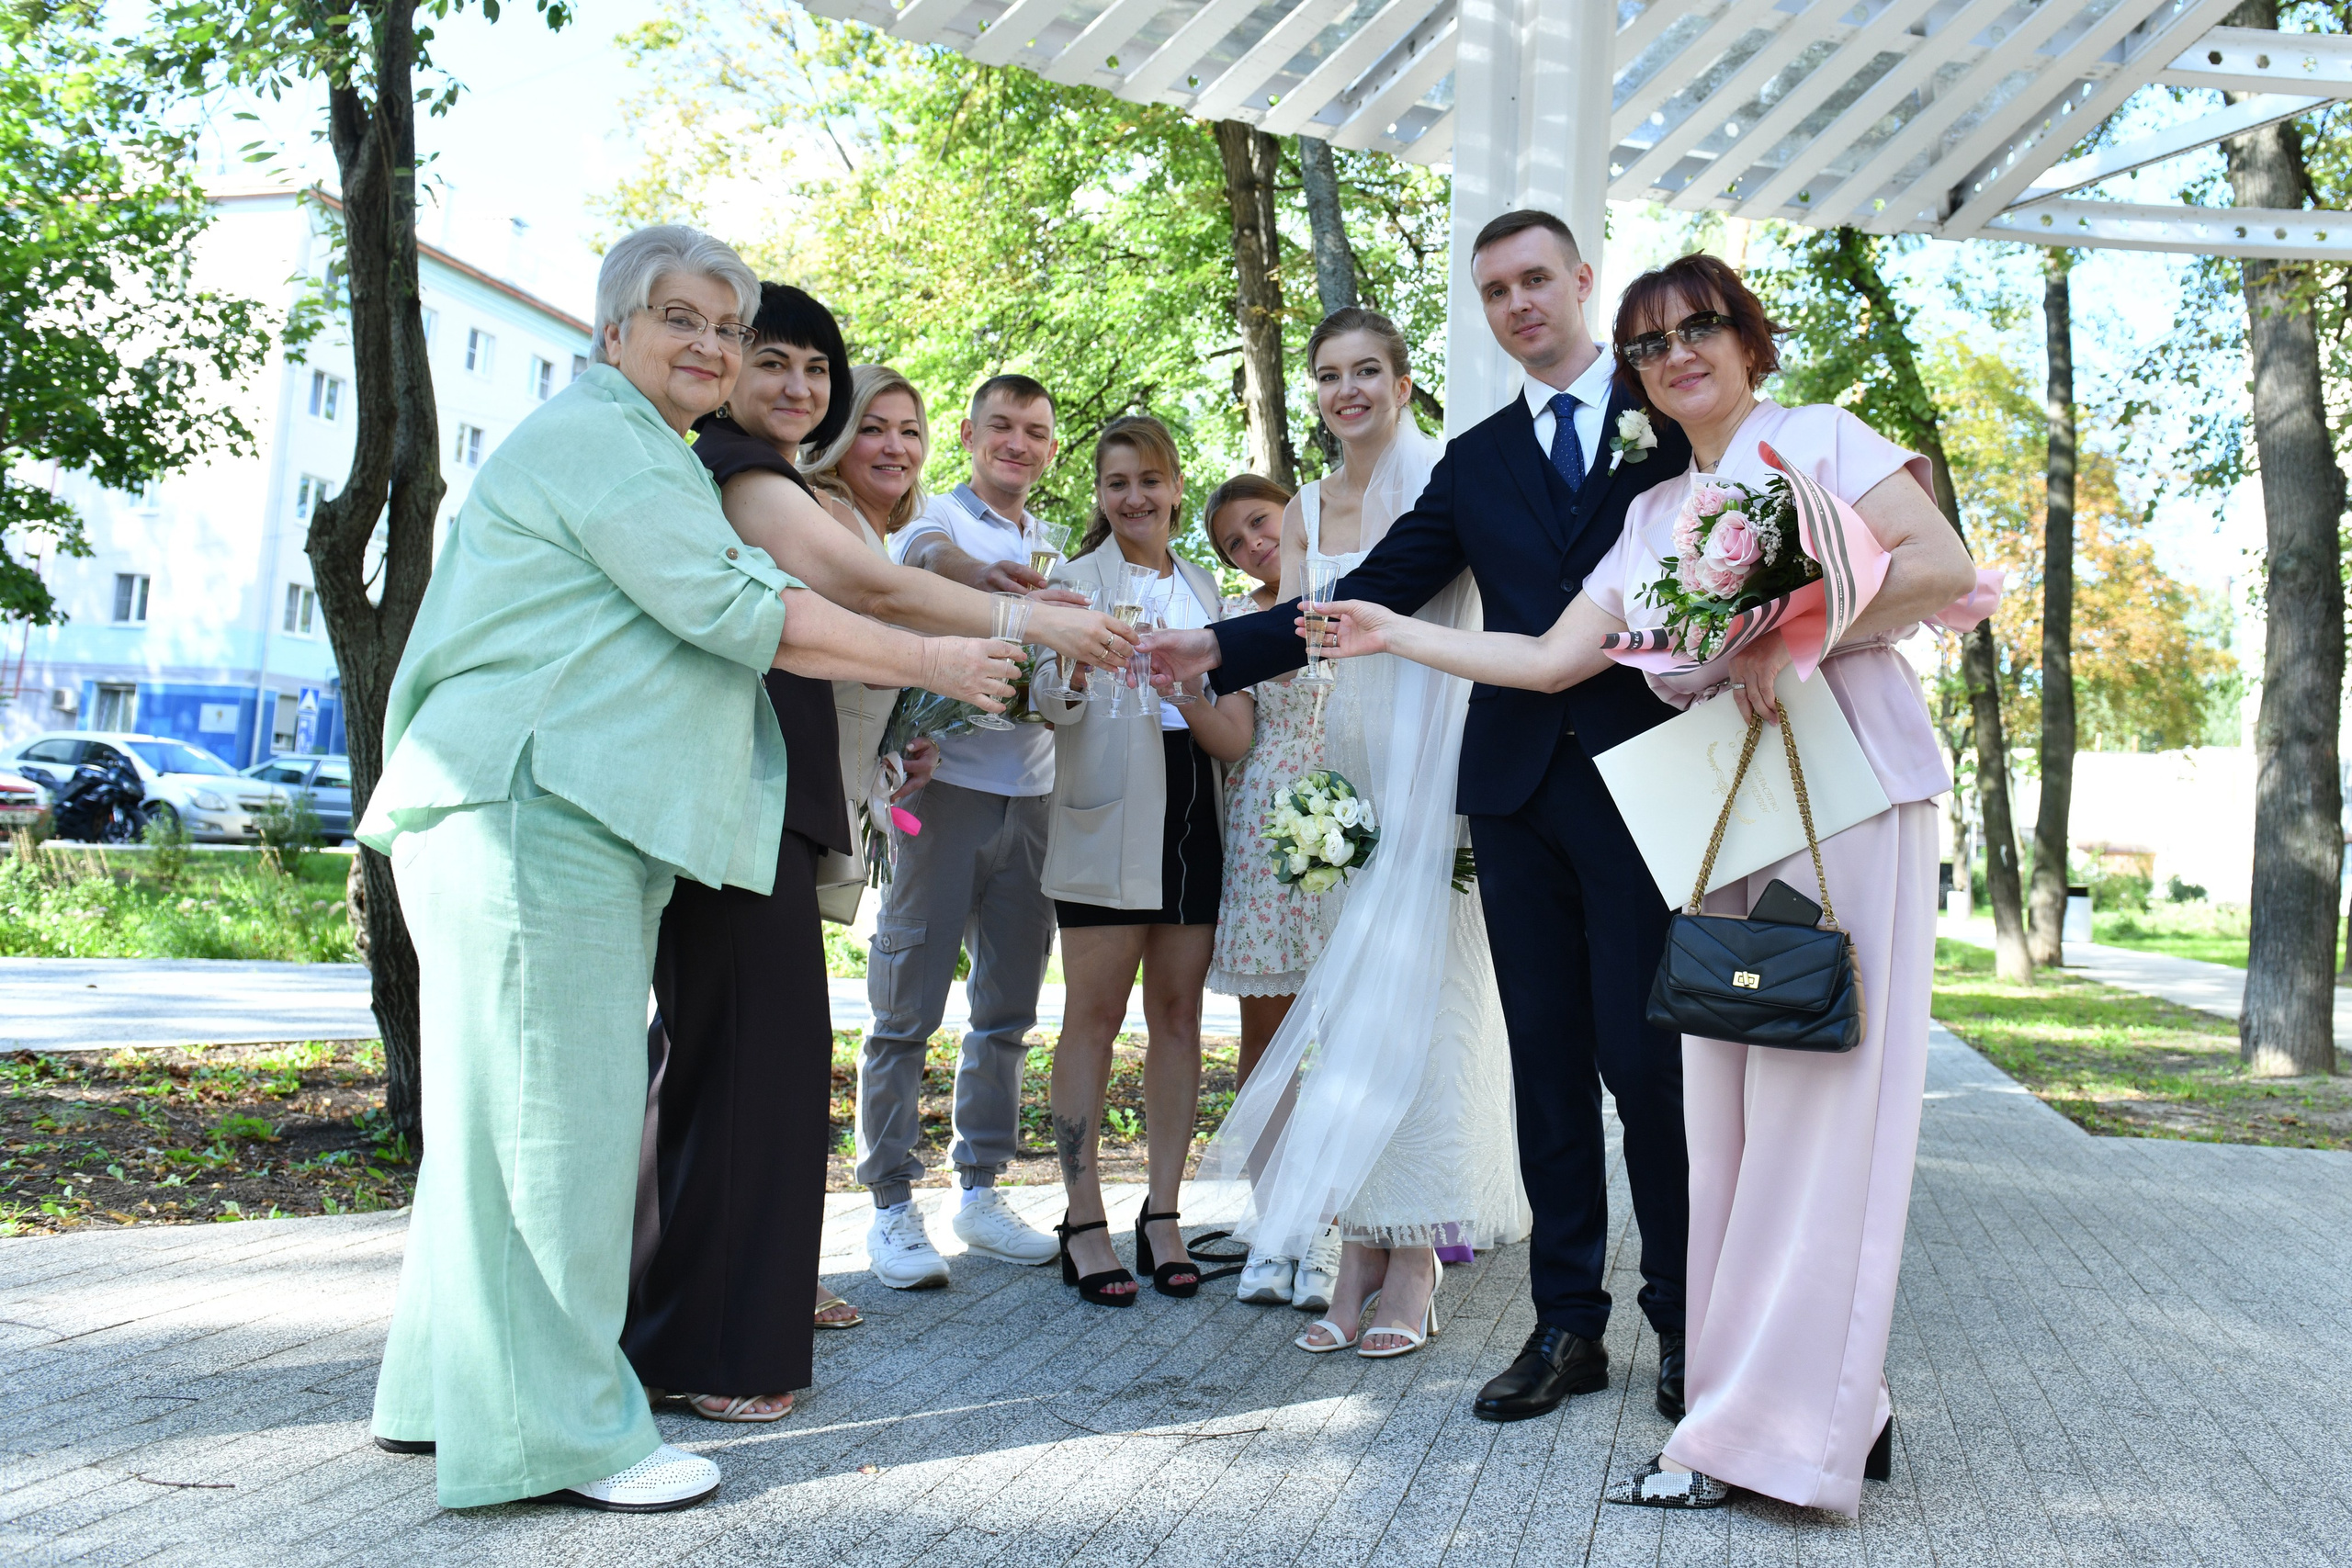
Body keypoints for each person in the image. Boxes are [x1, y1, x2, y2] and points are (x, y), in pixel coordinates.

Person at [356, 225, 1017, 1511]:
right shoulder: (611, 442)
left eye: (727, 325)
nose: (711, 345)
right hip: (534, 811)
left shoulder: (631, 444)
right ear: (613, 331)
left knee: (499, 1133)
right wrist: (941, 659)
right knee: (559, 1137)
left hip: (514, 806)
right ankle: (565, 1437)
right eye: (682, 318)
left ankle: (447, 1394)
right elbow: (740, 609)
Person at [1313, 253, 1978, 1513]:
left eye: (1700, 327)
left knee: (1823, 1116)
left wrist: (1792, 628)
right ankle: (1787, 1400)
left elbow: (1939, 566)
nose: (1678, 353)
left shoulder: (1821, 439)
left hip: (1845, 797)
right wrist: (1392, 630)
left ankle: (1781, 1427)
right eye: (1650, 342)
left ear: (1748, 340)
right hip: (1726, 817)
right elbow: (1550, 658)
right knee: (1725, 1122)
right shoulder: (1654, 512)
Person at [1145, 209, 1697, 1423]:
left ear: (1582, 281)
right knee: (1545, 1062)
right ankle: (1566, 1325)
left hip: (1638, 774)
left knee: (1643, 1062)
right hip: (1507, 787)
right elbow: (1379, 586)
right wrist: (1221, 646)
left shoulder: (1665, 414)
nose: (1518, 304)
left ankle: (1683, 1322)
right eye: (1495, 290)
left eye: (1535, 279)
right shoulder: (1481, 457)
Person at [628, 295, 1138, 1425]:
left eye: (817, 368)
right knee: (744, 1068)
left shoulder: (754, 473)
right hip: (735, 803)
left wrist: (897, 735)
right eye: (772, 360)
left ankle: (677, 1324)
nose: (797, 386)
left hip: (768, 805)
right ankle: (703, 1347)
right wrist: (1016, 630)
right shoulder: (744, 476)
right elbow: (874, 586)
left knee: (729, 1065)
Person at [1197, 310, 1528, 1357]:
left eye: (1367, 371)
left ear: (1402, 381)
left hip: (1437, 761)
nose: (1348, 391)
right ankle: (1357, 1251)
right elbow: (1293, 642)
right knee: (1350, 1018)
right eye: (1330, 374)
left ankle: (1414, 1256)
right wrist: (1208, 663)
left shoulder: (1449, 480)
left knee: (1429, 1010)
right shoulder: (1302, 506)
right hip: (1343, 775)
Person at [855, 375, 1080, 1286]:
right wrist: (990, 586)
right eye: (1002, 426)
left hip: (1033, 801)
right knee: (905, 1006)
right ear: (968, 434)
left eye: (1035, 430)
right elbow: (931, 560)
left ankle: (979, 1191)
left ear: (1051, 449)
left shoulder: (1055, 548)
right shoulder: (935, 520)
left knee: (1007, 1014)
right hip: (941, 795)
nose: (1018, 442)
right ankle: (888, 1204)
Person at [1037, 415, 1253, 1305]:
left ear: (1175, 488)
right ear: (1100, 493)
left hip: (1194, 807)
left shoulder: (1205, 585)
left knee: (1178, 1015)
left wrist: (1188, 688)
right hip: (1105, 816)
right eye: (1117, 482)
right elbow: (1045, 703)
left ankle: (1163, 1212)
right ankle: (1082, 1216)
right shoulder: (1070, 582)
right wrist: (1076, 665)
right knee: (1091, 1017)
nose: (1135, 497)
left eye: (1150, 480)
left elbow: (1231, 721)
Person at [805, 363, 944, 933]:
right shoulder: (827, 512)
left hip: (835, 793)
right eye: (872, 428)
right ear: (836, 438)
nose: (896, 447)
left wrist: (900, 743)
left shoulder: (869, 534)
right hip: (801, 798)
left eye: (909, 432)